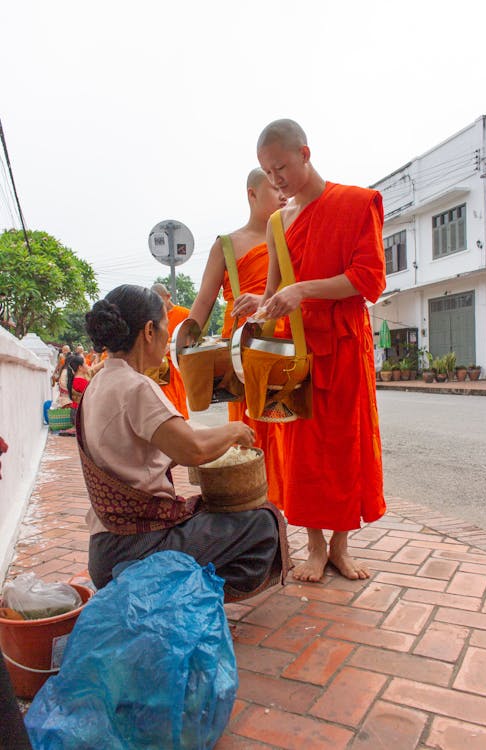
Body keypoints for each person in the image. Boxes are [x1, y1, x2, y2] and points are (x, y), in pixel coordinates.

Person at [80, 284, 288, 597]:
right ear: (149, 331)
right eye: (166, 327)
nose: (168, 338)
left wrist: (213, 436)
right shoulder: (136, 387)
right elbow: (192, 450)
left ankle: (173, 591)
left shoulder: (98, 385)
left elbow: (173, 441)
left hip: (105, 550)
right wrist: (234, 430)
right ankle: (184, 597)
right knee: (262, 522)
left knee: (208, 514)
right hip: (133, 549)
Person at [246, 118, 386, 582]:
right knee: (300, 453)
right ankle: (313, 544)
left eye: (281, 167)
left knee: (344, 447)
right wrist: (257, 308)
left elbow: (368, 279)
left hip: (343, 347)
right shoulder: (277, 222)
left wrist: (304, 290)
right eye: (268, 172)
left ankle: (341, 546)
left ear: (305, 153)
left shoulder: (354, 203)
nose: (276, 180)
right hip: (294, 352)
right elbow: (273, 295)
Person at [189, 168, 287, 508]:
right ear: (252, 194)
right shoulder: (227, 246)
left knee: (290, 437)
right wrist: (182, 343)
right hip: (244, 357)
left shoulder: (294, 235)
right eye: (276, 189)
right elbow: (203, 301)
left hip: (287, 354)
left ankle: (286, 511)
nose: (284, 195)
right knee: (250, 435)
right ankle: (257, 512)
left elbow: (305, 289)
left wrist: (266, 300)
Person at [150, 283, 190, 419]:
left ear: (168, 296)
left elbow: (193, 339)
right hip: (160, 370)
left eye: (160, 301)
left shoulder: (184, 314)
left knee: (178, 408)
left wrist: (172, 344)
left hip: (179, 367)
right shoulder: (154, 319)